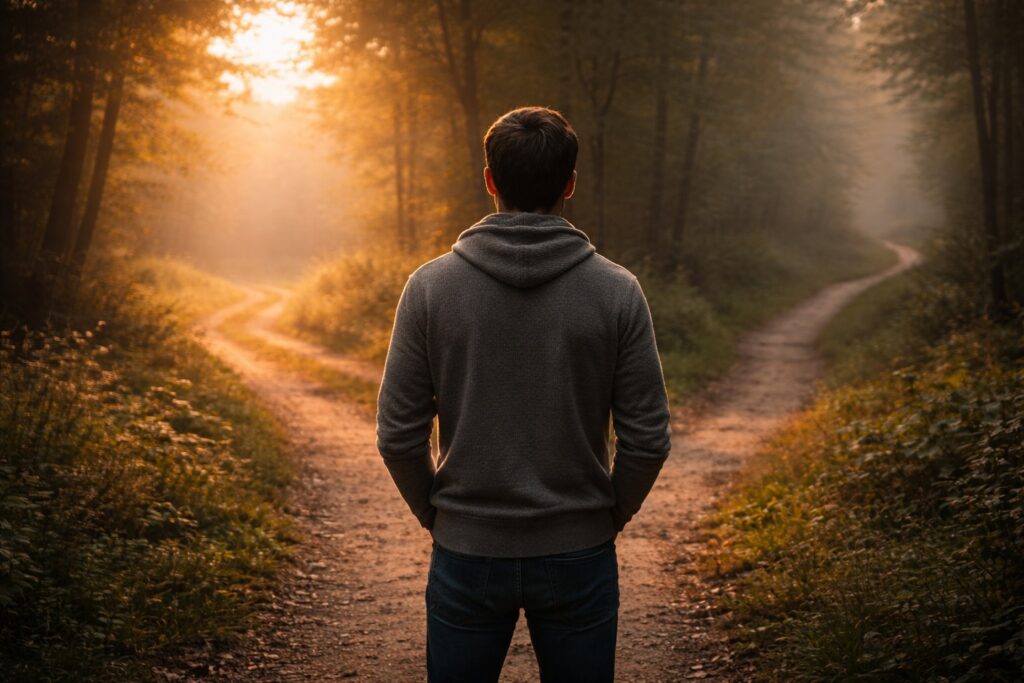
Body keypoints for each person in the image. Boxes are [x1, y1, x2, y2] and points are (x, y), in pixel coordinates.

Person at [375, 106, 672, 682]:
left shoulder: (430, 288)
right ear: (570, 183)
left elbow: (396, 435)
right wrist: (607, 515)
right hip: (580, 552)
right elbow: (648, 440)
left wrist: (438, 516)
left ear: (489, 179)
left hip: (466, 551)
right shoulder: (617, 291)